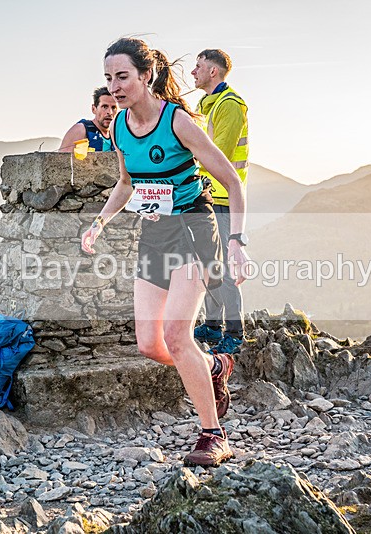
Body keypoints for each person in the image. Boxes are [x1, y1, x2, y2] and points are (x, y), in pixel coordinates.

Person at [81, 38, 251, 467]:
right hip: (155, 234)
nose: (115, 86)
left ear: (146, 75)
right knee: (149, 345)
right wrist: (99, 223)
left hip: (194, 230)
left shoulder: (176, 121)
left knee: (177, 337)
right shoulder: (119, 127)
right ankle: (214, 368)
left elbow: (232, 181)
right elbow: (125, 184)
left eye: (122, 76)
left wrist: (237, 243)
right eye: (108, 78)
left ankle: (213, 435)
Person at [191, 49, 249, 356]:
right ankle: (212, 326)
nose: (193, 72)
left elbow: (217, 155)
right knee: (208, 263)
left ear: (213, 71)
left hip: (224, 196)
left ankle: (234, 332)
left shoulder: (230, 105)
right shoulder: (204, 104)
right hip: (205, 195)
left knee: (226, 267)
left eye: (198, 66)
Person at [59, 87, 118, 152]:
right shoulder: (80, 129)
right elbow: (61, 160)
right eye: (104, 107)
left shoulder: (118, 134)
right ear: (94, 109)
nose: (110, 112)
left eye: (113, 107)